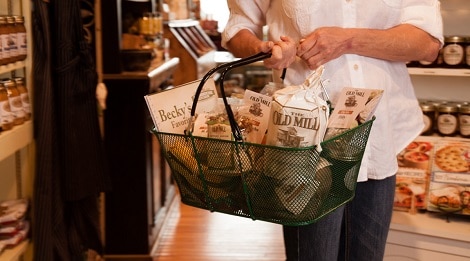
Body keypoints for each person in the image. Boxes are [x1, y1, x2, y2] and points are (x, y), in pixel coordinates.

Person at [221, 1, 443, 260]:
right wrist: (263, 49)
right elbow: (238, 28)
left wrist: (348, 40)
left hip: (378, 135)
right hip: (306, 142)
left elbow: (427, 45)